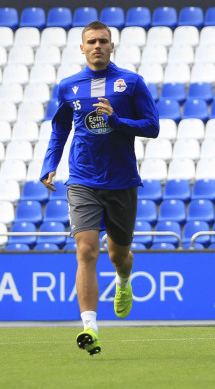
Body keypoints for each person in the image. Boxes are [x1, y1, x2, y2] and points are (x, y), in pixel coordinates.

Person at [40, 21, 160, 356]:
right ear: (82, 47)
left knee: (117, 255)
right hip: (82, 180)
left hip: (122, 181)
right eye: (90, 41)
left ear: (111, 46)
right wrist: (50, 163)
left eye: (102, 41)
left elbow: (153, 127)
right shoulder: (69, 86)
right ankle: (90, 328)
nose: (97, 46)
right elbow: (60, 127)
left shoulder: (131, 83)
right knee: (86, 250)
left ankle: (123, 280)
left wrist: (118, 121)